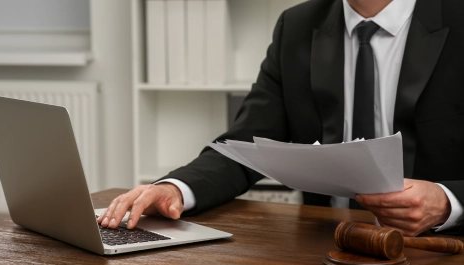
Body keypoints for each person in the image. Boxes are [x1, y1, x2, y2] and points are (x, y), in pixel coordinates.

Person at [98, 0, 464, 237]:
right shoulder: (297, 26)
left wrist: (449, 201)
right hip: (327, 247)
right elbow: (246, 142)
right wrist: (174, 188)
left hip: (441, 250)